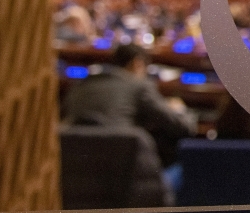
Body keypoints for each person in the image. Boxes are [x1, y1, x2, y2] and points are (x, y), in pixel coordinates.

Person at [62, 44, 196, 166]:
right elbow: (182, 127)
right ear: (137, 63)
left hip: (75, 165)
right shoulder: (138, 86)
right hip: (120, 164)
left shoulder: (80, 86)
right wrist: (180, 110)